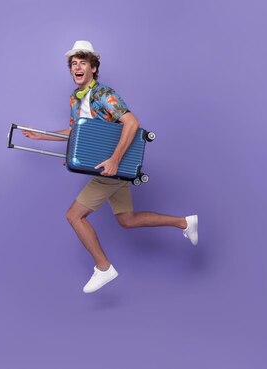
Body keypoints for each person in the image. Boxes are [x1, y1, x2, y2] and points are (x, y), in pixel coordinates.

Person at [22, 40, 198, 293]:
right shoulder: (75, 98)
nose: (77, 67)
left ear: (93, 67)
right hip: (104, 167)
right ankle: (184, 222)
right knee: (127, 220)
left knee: (74, 216)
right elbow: (76, 130)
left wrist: (115, 160)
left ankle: (103, 267)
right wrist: (44, 136)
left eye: (83, 62)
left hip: (110, 167)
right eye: (73, 64)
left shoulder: (104, 94)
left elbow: (132, 123)